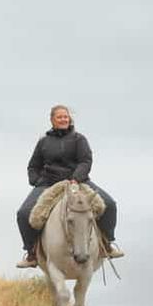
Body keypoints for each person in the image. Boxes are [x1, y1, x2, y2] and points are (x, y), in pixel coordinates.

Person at [16, 105, 124, 268]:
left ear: (69, 119)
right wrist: (37, 181)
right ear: (52, 120)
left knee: (109, 204)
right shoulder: (43, 142)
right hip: (49, 184)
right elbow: (33, 166)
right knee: (23, 213)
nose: (63, 119)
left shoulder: (79, 139)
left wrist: (75, 178)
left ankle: (107, 244)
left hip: (77, 181)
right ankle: (31, 253)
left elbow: (85, 161)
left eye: (65, 117)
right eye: (59, 117)